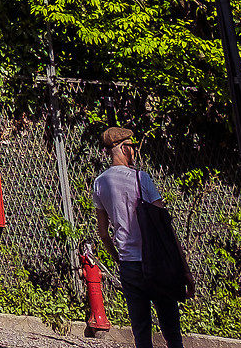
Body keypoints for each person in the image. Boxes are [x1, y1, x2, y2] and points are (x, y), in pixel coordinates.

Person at [93, 126, 183, 348]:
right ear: (124, 148)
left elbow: (103, 234)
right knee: (170, 325)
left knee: (141, 330)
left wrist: (118, 258)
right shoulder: (141, 178)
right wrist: (182, 266)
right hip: (155, 261)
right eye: (132, 147)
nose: (134, 151)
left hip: (129, 264)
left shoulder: (99, 183)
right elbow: (163, 223)